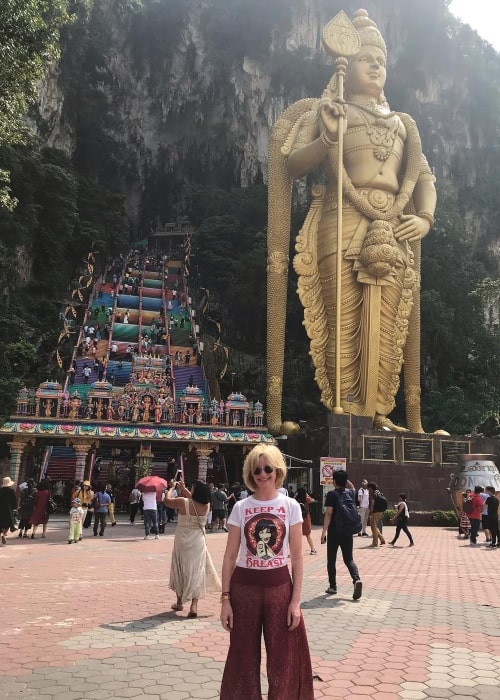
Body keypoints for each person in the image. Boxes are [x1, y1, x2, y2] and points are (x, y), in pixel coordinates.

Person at [266, 8, 437, 435]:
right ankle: (341, 406)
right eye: (367, 59)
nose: (377, 67)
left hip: (394, 226)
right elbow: (292, 165)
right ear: (346, 64)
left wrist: (427, 218)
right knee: (339, 314)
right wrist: (326, 137)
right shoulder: (331, 110)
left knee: (389, 319)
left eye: (381, 61)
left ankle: (380, 412)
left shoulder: (404, 125)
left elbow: (424, 179)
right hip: (340, 219)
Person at [219, 444, 314, 700]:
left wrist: (295, 602)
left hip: (280, 589)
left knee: (284, 659)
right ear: (250, 473)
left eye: (268, 468)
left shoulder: (291, 506)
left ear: (277, 470)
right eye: (257, 469)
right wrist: (225, 600)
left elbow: (296, 556)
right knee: (243, 656)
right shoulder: (240, 507)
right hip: (244, 590)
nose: (263, 474)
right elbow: (229, 556)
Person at [164, 478, 220, 618]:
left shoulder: (183, 502)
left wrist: (171, 488)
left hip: (182, 540)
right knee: (197, 571)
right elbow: (194, 502)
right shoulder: (206, 505)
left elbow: (167, 501)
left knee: (180, 568)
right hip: (198, 541)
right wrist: (184, 489)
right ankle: (194, 606)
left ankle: (179, 602)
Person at [320, 470, 362, 599]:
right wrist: (345, 480)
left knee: (331, 560)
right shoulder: (350, 492)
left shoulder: (332, 494)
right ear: (345, 481)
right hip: (348, 531)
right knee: (349, 559)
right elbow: (352, 486)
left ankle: (333, 586)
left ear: (334, 481)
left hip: (334, 532)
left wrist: (323, 532)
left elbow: (329, 513)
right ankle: (356, 580)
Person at [295, 486, 317, 554]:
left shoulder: (296, 499)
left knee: (297, 535)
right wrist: (307, 494)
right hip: (306, 518)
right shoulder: (307, 499)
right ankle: (313, 549)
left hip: (297, 518)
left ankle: (297, 551)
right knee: (308, 535)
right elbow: (312, 500)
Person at [367, 482, 386, 547]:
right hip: (380, 511)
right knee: (375, 526)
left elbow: (372, 504)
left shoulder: (373, 494)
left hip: (375, 511)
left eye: (368, 488)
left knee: (373, 527)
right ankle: (382, 539)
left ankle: (375, 543)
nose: (368, 490)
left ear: (371, 488)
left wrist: (371, 512)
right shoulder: (378, 492)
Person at [0, 476, 17, 545]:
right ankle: (4, 534)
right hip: (8, 510)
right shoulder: (11, 491)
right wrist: (14, 508)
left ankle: (1, 534)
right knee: (9, 524)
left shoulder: (0, 491)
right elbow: (14, 501)